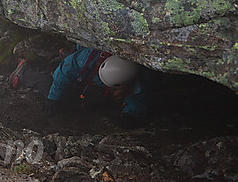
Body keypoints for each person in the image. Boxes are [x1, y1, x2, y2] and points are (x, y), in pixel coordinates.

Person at [11, 45, 150, 128]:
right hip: (83, 69)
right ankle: (25, 73)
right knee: (56, 92)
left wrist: (130, 115)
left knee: (90, 101)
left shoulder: (136, 77)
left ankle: (67, 54)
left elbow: (139, 97)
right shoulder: (91, 58)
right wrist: (52, 98)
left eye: (117, 89)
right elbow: (64, 71)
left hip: (91, 78)